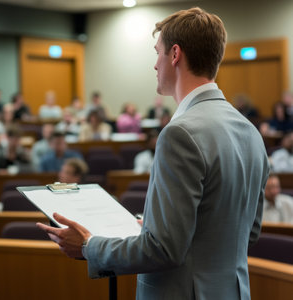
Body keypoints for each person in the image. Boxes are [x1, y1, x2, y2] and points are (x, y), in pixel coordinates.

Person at [37, 7, 269, 300]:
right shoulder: (250, 131)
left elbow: (162, 249)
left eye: (157, 52)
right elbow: (247, 232)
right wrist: (162, 226)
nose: (155, 65)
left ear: (175, 54)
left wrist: (87, 246)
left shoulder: (180, 133)